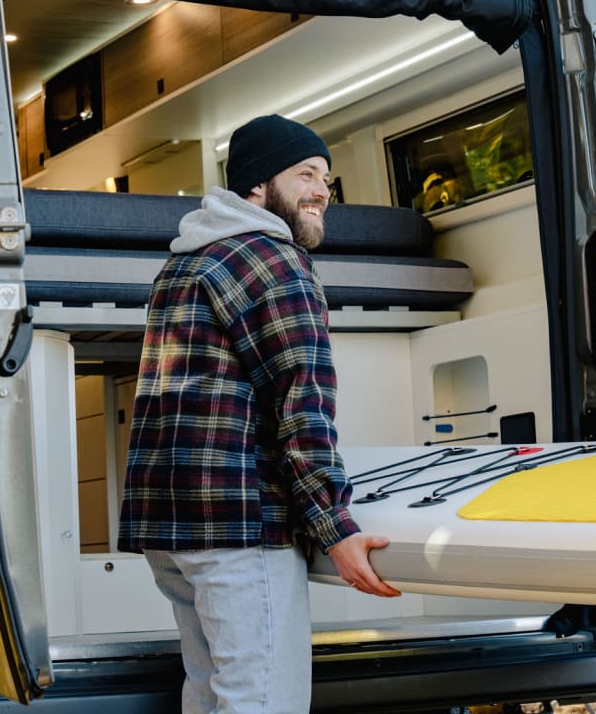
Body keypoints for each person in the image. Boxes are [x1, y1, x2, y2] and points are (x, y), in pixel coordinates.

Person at [118, 113, 400, 714]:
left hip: (174, 529)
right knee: (263, 701)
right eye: (305, 174)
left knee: (213, 695)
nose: (323, 190)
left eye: (326, 176)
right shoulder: (273, 260)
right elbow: (302, 402)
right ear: (256, 186)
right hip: (241, 526)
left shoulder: (185, 262)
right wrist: (336, 527)